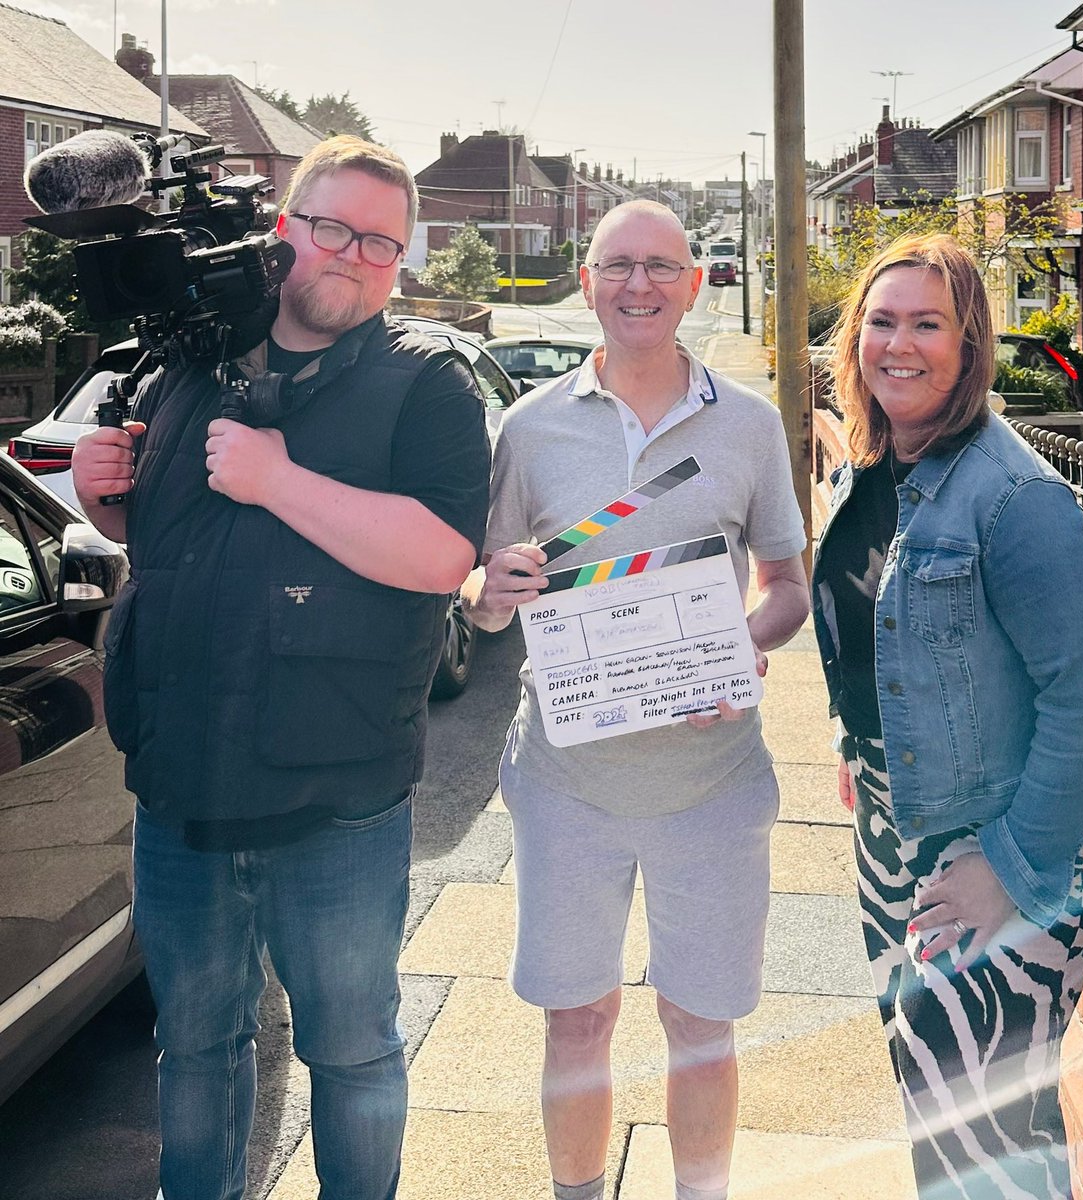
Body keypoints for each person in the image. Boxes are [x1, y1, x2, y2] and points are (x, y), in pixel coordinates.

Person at [70, 136, 491, 1200]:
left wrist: (278, 480)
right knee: (193, 1045)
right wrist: (102, 494)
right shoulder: (184, 361)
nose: (355, 255)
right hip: (181, 790)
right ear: (281, 228)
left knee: (350, 1051)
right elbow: (157, 542)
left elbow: (443, 557)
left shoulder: (426, 384)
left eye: (382, 243)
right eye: (333, 228)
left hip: (336, 801)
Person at [461, 199, 810, 1200]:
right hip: (566, 781)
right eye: (617, 265)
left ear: (695, 285)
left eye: (661, 265)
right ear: (587, 284)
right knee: (577, 1019)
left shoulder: (749, 425)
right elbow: (484, 597)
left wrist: (743, 647)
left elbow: (786, 587)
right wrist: (492, 590)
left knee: (700, 1025)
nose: (639, 284)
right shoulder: (529, 428)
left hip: (713, 781)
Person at [812, 232, 1083, 1199]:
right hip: (898, 827)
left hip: (997, 834)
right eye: (882, 321)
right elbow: (876, 631)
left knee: (981, 1131)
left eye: (928, 324)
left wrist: (1010, 869)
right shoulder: (876, 464)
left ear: (970, 343)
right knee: (944, 1107)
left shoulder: (1013, 495)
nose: (899, 344)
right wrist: (856, 742)